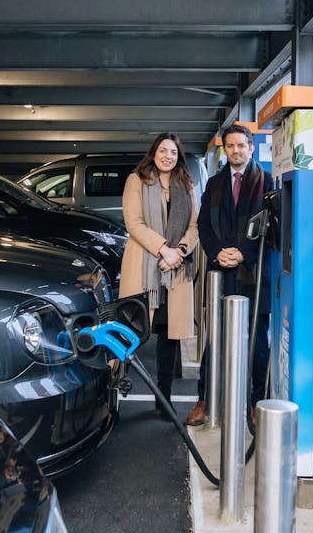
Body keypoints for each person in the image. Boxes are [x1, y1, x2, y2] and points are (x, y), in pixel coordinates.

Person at [185, 123, 271, 427]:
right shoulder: (215, 183)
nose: (236, 150)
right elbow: (204, 225)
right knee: (216, 340)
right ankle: (205, 399)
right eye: (230, 146)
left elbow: (271, 226)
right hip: (221, 273)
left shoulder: (267, 181)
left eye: (241, 145)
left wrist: (244, 253)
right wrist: (217, 252)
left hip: (253, 272)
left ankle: (256, 403)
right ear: (225, 149)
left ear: (251, 147)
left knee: (258, 342)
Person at [119, 132, 199, 417]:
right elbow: (134, 223)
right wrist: (165, 250)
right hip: (143, 269)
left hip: (175, 272)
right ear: (153, 153)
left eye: (173, 152)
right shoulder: (137, 180)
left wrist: (180, 251)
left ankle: (164, 400)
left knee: (168, 338)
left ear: (179, 157)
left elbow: (193, 225)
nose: (168, 156)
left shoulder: (186, 184)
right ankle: (113, 392)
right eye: (163, 151)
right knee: (130, 334)